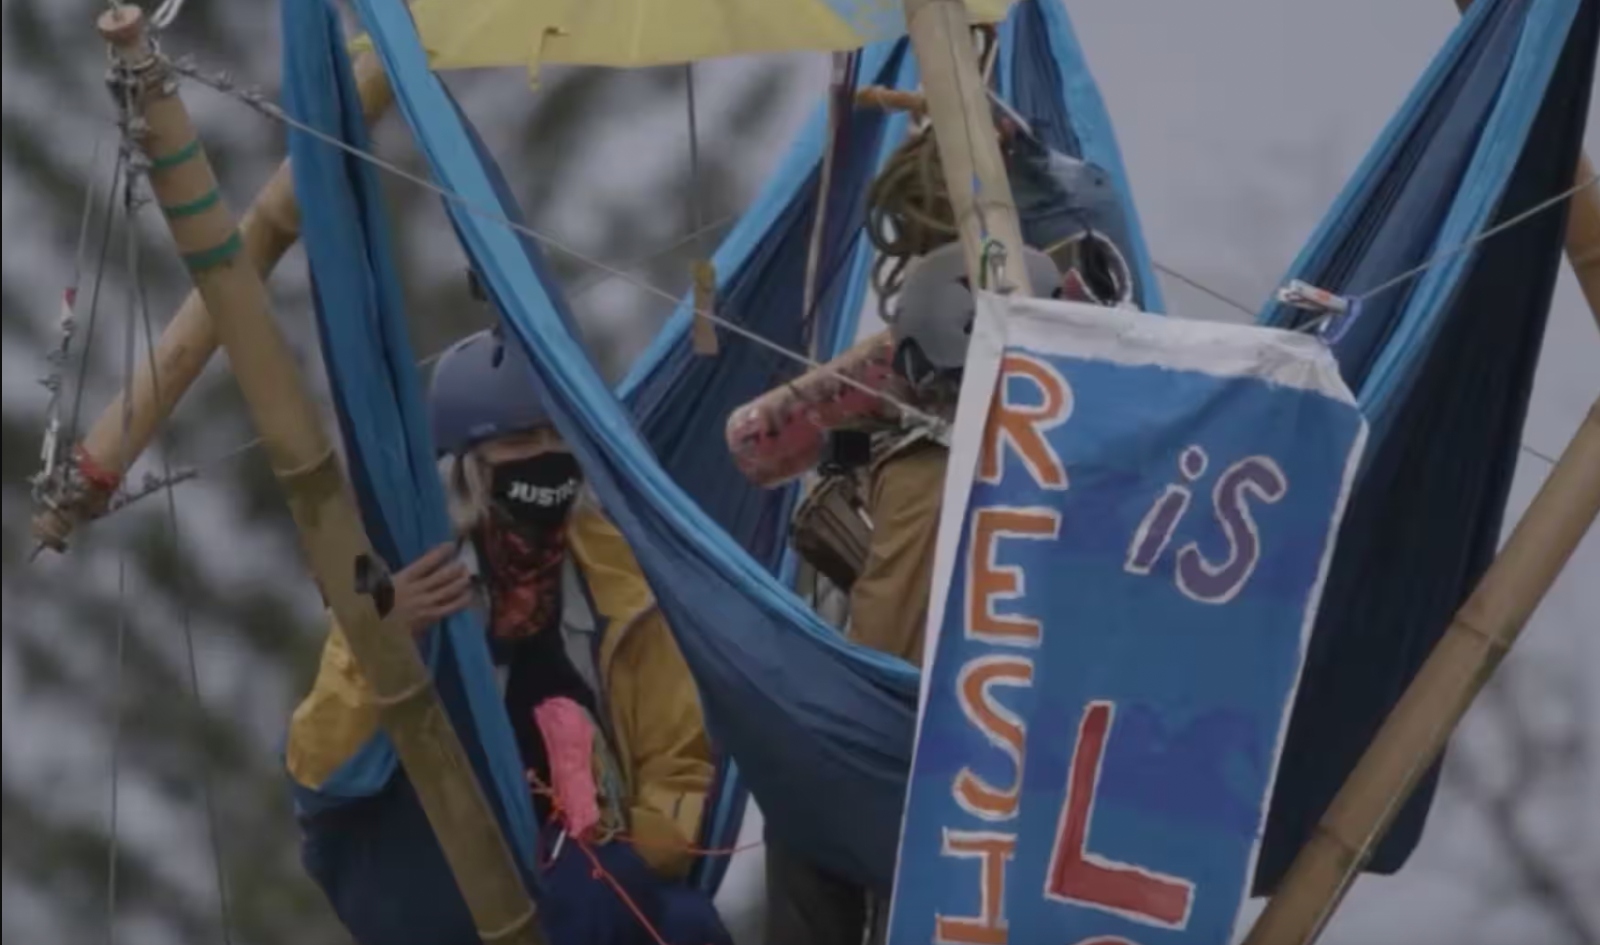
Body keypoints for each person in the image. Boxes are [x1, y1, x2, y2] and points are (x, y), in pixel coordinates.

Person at [286, 327, 731, 945]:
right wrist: (385, 641)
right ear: (470, 465)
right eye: (521, 441)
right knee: (585, 904)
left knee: (687, 928)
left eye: (558, 438)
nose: (545, 458)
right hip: (432, 856)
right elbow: (320, 771)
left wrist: (622, 841)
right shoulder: (411, 571)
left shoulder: (621, 582)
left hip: (590, 852)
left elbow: (676, 764)